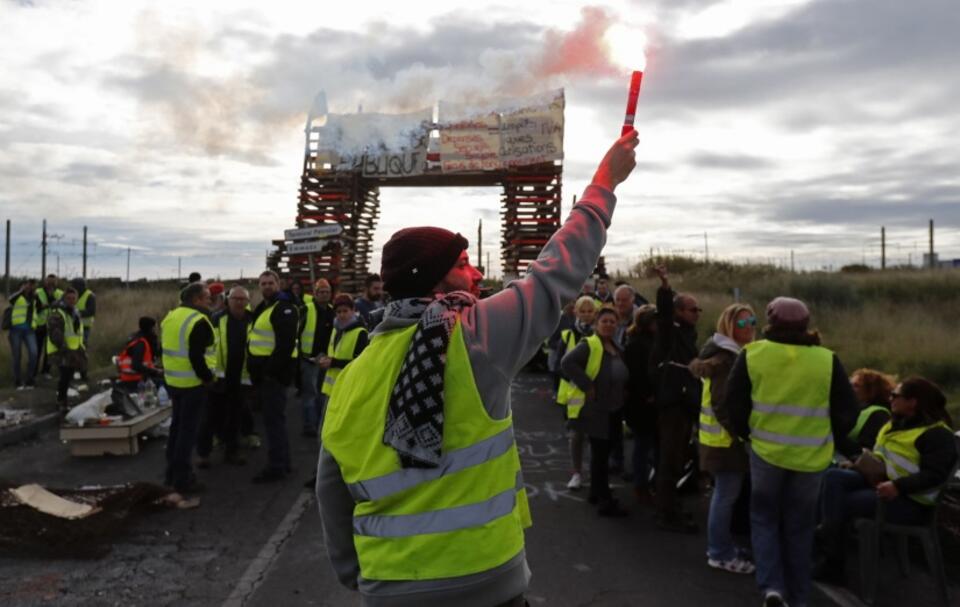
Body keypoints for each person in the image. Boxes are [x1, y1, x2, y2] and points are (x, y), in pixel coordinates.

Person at [317, 130, 638, 606]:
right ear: (438, 277)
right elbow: (555, 274)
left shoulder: (352, 375)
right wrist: (604, 182)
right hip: (486, 581)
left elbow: (332, 493)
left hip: (388, 586)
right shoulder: (471, 336)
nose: (478, 274)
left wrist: (358, 575)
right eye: (465, 263)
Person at [726, 297, 858, 607]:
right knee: (800, 527)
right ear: (806, 324)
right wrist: (830, 438)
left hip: (766, 454)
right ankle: (799, 597)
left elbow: (734, 404)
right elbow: (847, 411)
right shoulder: (827, 359)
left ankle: (772, 587)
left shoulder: (752, 354)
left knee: (764, 519)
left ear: (770, 323)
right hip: (811, 459)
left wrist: (749, 435)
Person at [816, 377, 957, 584]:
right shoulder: (895, 425)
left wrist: (898, 486)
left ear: (913, 402)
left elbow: (935, 475)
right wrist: (860, 464)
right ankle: (825, 539)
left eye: (896, 396)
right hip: (881, 483)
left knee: (841, 503)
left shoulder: (936, 434)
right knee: (833, 477)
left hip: (910, 503)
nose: (890, 399)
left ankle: (832, 560)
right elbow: (883, 458)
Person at [689, 304, 757, 575]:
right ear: (729, 327)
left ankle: (723, 545)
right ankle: (719, 552)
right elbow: (722, 403)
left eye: (752, 320)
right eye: (742, 323)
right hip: (725, 441)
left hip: (718, 439)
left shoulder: (728, 353)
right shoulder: (727, 359)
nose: (750, 326)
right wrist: (741, 434)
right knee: (725, 496)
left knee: (723, 494)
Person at [562, 307, 630, 516]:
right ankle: (604, 500)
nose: (609, 324)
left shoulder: (615, 346)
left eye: (612, 321)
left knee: (603, 452)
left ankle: (595, 492)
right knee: (601, 454)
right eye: (605, 321)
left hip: (613, 408)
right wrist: (587, 385)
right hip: (598, 409)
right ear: (596, 324)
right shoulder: (590, 344)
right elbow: (567, 363)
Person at [650, 265, 702, 533]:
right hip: (673, 404)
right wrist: (665, 286)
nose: (697, 314)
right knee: (670, 459)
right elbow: (664, 313)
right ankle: (666, 512)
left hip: (685, 403)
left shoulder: (689, 335)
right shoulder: (670, 332)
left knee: (678, 457)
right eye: (693, 309)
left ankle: (671, 507)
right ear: (679, 311)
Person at [160, 282, 215, 497]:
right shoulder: (199, 320)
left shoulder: (171, 316)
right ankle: (183, 480)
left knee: (176, 429)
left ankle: (170, 474)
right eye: (207, 297)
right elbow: (196, 356)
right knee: (187, 434)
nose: (210, 300)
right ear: (196, 299)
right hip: (193, 384)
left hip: (173, 382)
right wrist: (208, 378)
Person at [248, 270, 299, 483]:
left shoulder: (283, 308)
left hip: (274, 377)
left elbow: (285, 346)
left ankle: (276, 467)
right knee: (274, 421)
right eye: (263, 283)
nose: (267, 286)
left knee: (273, 423)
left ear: (278, 284)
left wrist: (269, 373)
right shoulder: (264, 308)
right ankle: (283, 463)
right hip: (266, 376)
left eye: (270, 283)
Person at [198, 286, 254, 467]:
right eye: (235, 298)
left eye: (242, 299)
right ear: (227, 300)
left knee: (235, 417)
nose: (239, 302)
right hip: (219, 378)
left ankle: (232, 452)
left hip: (242, 377)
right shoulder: (216, 319)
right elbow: (207, 348)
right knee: (210, 417)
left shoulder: (253, 320)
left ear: (247, 301)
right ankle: (203, 454)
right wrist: (209, 373)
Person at [556, 295, 597, 490]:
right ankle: (577, 473)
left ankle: (597, 474)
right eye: (583, 311)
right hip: (574, 395)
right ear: (576, 312)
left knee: (596, 437)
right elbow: (559, 366)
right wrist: (580, 381)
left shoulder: (600, 334)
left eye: (590, 311)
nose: (587, 315)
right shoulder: (568, 335)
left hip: (596, 394)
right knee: (577, 437)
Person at [623, 304, 658, 504]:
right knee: (642, 446)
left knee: (646, 445)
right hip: (641, 404)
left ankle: (645, 483)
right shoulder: (636, 344)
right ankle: (640, 485)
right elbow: (636, 374)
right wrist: (648, 394)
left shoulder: (649, 341)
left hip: (646, 402)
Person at [298, 278, 335, 437]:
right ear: (315, 293)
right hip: (309, 359)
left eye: (327, 292)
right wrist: (299, 355)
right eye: (321, 292)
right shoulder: (306, 309)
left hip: (326, 360)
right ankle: (309, 425)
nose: (324, 295)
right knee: (310, 394)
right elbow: (296, 333)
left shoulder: (333, 311)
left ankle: (321, 423)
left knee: (322, 393)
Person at [318, 294, 369, 400]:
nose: (342, 315)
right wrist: (325, 359)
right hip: (332, 390)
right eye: (338, 312)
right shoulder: (336, 330)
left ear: (353, 310)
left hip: (349, 389)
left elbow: (361, 364)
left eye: (345, 311)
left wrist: (333, 362)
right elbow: (333, 353)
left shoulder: (360, 333)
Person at [836, 368, 894, 460]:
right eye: (849, 384)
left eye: (856, 386)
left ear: (872, 390)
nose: (849, 388)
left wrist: (837, 438)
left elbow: (866, 449)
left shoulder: (879, 414)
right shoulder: (850, 409)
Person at [46, 287, 85, 409]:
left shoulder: (75, 312)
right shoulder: (58, 312)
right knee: (64, 376)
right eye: (69, 298)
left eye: (74, 298)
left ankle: (63, 400)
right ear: (64, 298)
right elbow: (55, 335)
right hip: (61, 350)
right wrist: (65, 349)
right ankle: (61, 401)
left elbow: (77, 332)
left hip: (73, 349)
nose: (71, 300)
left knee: (68, 376)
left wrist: (80, 347)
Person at [5, 279, 38, 390]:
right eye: (27, 285)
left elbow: (40, 307)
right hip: (16, 330)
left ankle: (29, 379)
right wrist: (21, 290)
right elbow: (10, 300)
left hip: (30, 330)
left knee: (34, 353)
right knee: (17, 356)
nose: (29, 287)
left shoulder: (34, 297)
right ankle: (18, 381)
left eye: (31, 285)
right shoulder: (17, 296)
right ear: (22, 286)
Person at [116, 316, 163, 391]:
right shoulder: (141, 343)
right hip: (135, 379)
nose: (155, 331)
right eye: (154, 328)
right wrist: (156, 371)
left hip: (131, 376)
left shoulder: (136, 338)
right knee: (165, 383)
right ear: (150, 329)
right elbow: (136, 365)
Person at [34, 274, 63, 377]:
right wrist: (43, 306)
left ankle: (46, 371)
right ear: (45, 282)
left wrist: (52, 298)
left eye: (53, 282)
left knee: (49, 350)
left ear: (56, 283)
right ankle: (34, 371)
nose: (51, 284)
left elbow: (60, 306)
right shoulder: (38, 292)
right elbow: (35, 308)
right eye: (49, 282)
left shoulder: (60, 293)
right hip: (39, 325)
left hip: (53, 325)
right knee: (36, 350)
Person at [71, 277, 96, 348]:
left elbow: (91, 311)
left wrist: (76, 313)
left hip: (85, 326)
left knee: (82, 346)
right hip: (73, 325)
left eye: (75, 286)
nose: (74, 288)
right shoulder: (73, 294)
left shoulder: (90, 296)